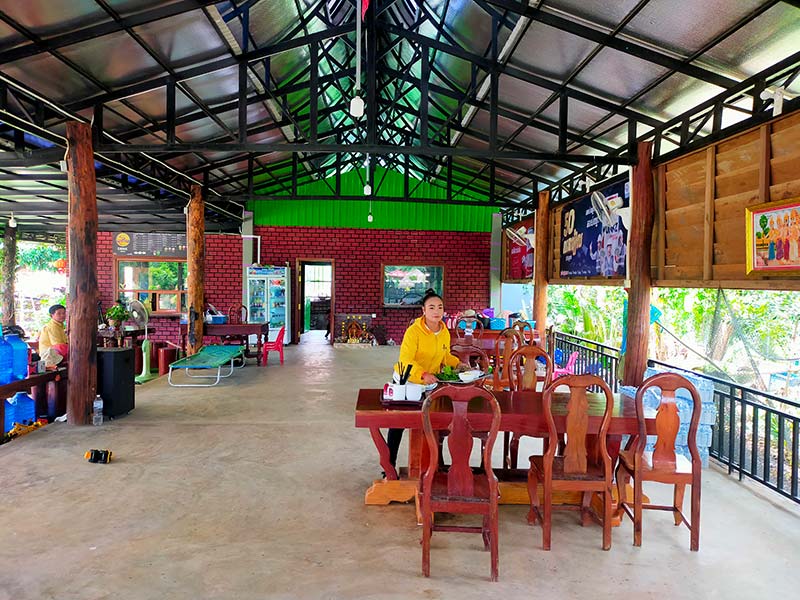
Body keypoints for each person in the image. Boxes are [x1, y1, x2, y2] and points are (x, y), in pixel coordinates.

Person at [386, 289, 468, 468]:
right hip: (407, 381)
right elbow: (405, 360)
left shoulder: (444, 332)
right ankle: (389, 467)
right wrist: (423, 374)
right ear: (423, 310)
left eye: (440, 307)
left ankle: (431, 467)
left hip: (429, 384)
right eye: (431, 307)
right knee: (398, 423)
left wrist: (458, 364)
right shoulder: (413, 332)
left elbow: (444, 356)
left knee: (430, 422)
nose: (436, 311)